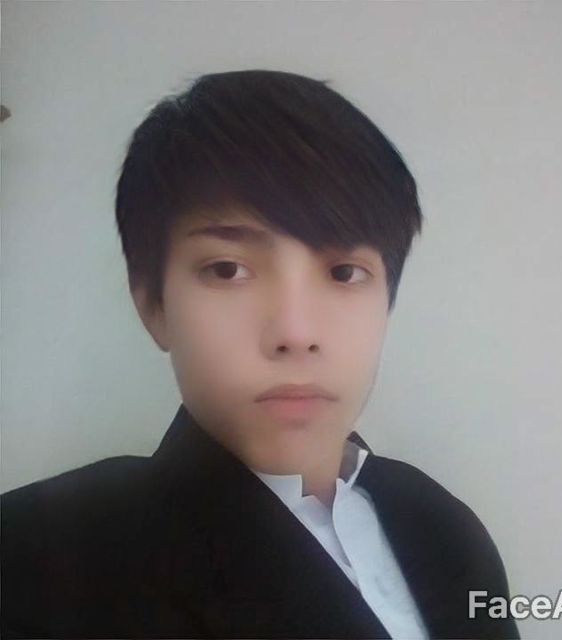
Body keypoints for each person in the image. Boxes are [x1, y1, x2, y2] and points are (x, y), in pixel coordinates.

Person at [1, 70, 519, 639]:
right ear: (152, 304)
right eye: (227, 269)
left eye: (344, 272)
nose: (296, 333)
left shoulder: (442, 524)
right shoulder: (34, 558)